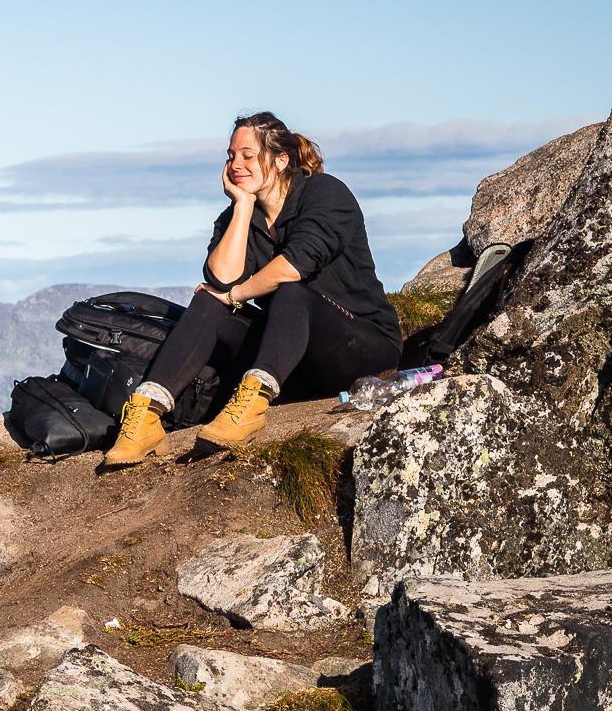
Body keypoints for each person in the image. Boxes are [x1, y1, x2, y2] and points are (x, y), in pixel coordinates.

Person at [101, 112, 401, 468]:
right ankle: (146, 414)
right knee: (207, 304)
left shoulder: (325, 193)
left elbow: (293, 266)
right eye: (230, 156)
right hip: (292, 356)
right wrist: (242, 206)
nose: (235, 164)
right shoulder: (236, 217)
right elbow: (222, 281)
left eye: (247, 155)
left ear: (280, 159)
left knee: (291, 290)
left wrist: (234, 295)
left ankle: (251, 409)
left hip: (361, 348)